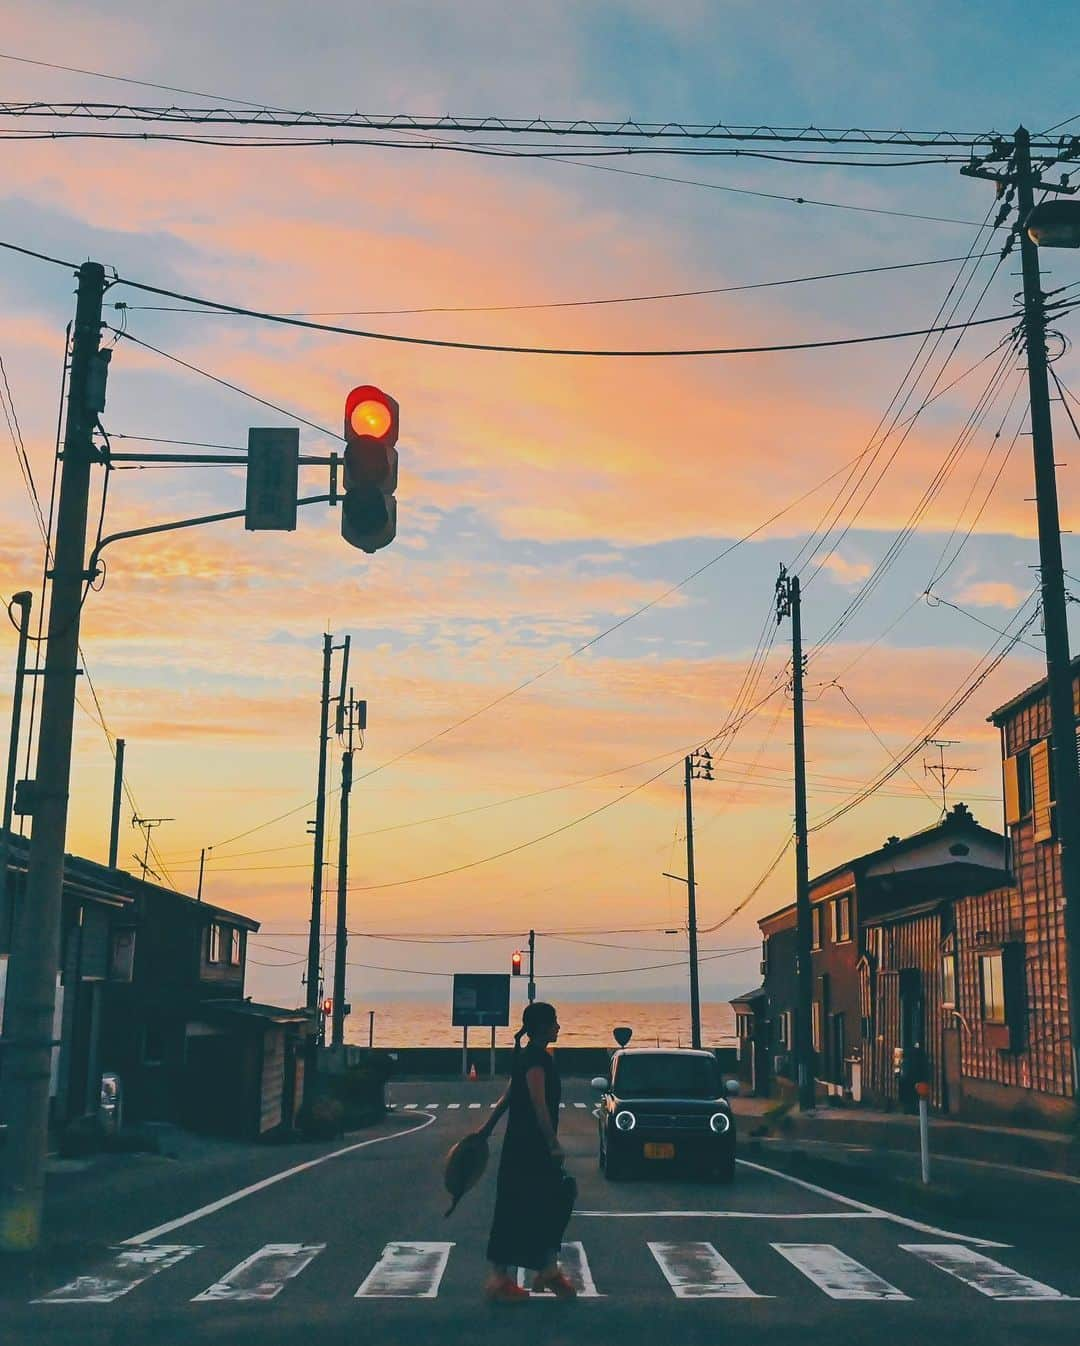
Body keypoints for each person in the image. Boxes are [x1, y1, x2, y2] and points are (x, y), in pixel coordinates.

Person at [478, 1001, 576, 1303]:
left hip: (520, 1146)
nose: (558, 1027)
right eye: (554, 1022)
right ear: (543, 1026)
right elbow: (537, 1102)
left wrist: (485, 1128)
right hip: (530, 1148)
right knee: (528, 1205)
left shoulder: (528, 1056)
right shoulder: (536, 1059)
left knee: (539, 1204)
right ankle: (501, 1277)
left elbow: (509, 1095)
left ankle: (546, 1267)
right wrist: (552, 1143)